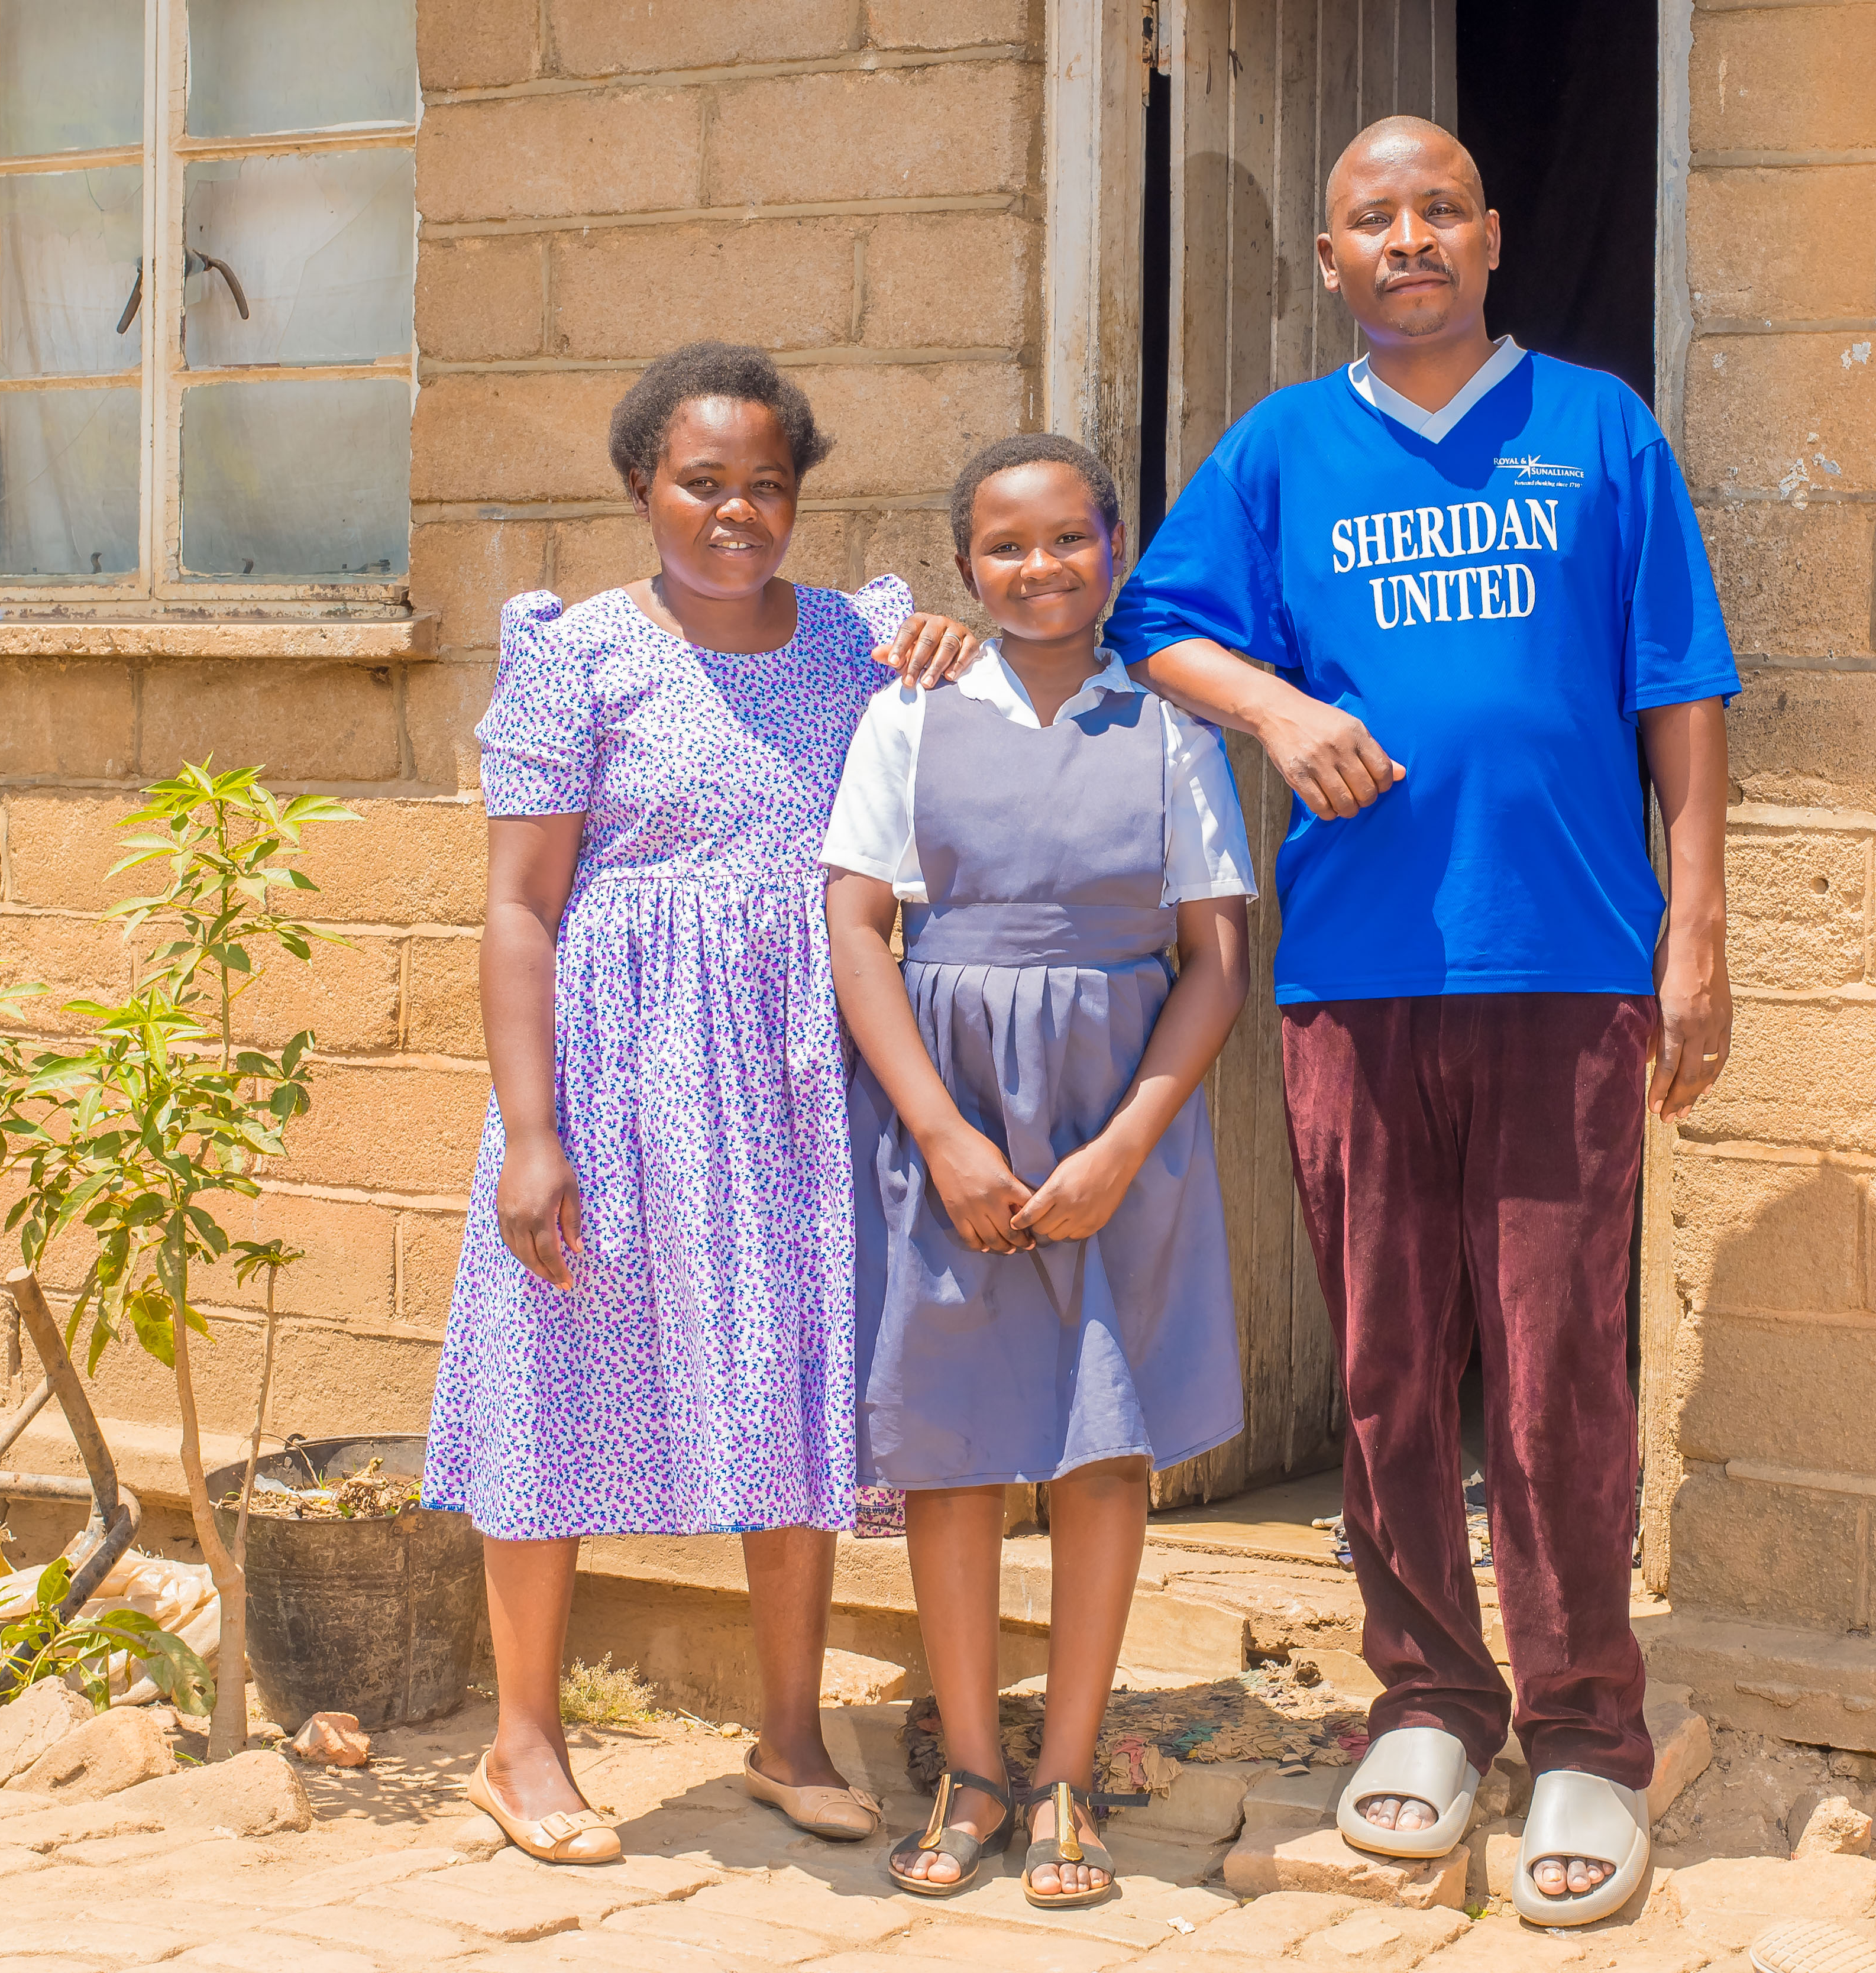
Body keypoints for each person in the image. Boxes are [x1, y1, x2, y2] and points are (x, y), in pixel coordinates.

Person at [1106, 117, 1739, 1928]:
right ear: (1329, 263)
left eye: (1437, 209)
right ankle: (1431, 1703)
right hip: (1360, 982)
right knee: (1390, 1366)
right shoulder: (1285, 449)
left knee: (1553, 1376)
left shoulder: (1601, 429)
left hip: (1567, 971)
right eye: (1370, 217)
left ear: (1490, 236)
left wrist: (1695, 935)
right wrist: (1283, 714)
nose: (1407, 238)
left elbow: (1680, 691)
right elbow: (1158, 620)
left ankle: (1587, 1736)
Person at [423, 341, 984, 1867]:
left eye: (766, 486)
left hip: (796, 1084)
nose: (736, 512)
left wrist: (940, 641)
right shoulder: (574, 655)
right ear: (640, 487)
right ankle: (521, 1744)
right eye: (701, 482)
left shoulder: (855, 644)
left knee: (792, 1389)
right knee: (554, 1378)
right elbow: (520, 909)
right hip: (612, 1078)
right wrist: (530, 1134)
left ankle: (788, 1733)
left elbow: (963, 737)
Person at [821, 435, 1255, 1908]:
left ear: (1112, 550)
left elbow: (1213, 961)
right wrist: (939, 1134)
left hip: (1113, 1115)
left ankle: (1067, 1769)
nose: (1040, 569)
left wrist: (1127, 1142)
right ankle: (970, 1765)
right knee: (951, 1442)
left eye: (1069, 540)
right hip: (949, 1116)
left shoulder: (1169, 727)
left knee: (1096, 1441)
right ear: (967, 568)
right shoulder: (912, 715)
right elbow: (856, 929)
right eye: (1005, 548)